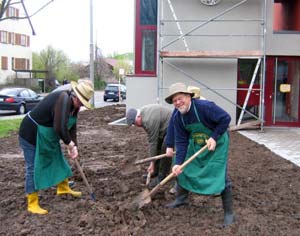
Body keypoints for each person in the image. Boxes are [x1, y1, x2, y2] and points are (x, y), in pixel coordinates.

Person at [164, 82, 234, 227]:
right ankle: (181, 198)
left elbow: (226, 118)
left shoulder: (204, 107)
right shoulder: (178, 117)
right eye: (174, 100)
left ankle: (229, 214)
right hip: (198, 142)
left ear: (189, 97)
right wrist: (179, 163)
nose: (178, 102)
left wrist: (214, 137)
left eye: (180, 98)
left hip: (218, 141)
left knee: (220, 174)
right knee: (183, 168)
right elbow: (182, 142)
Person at [19, 81, 94, 215]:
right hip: (31, 134)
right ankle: (32, 202)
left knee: (57, 159)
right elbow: (59, 127)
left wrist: (74, 146)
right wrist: (69, 144)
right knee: (33, 167)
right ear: (76, 97)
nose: (81, 106)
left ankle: (63, 188)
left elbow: (71, 127)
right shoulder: (63, 100)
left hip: (47, 137)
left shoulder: (74, 106)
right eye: (81, 103)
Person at [126, 104, 173, 188]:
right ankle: (155, 171)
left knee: (164, 148)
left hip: (173, 126)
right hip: (163, 128)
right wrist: (153, 164)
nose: (136, 125)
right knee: (158, 147)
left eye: (134, 123)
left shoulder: (148, 120)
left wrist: (151, 163)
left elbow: (153, 142)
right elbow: (153, 140)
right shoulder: (143, 117)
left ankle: (162, 176)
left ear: (138, 117)